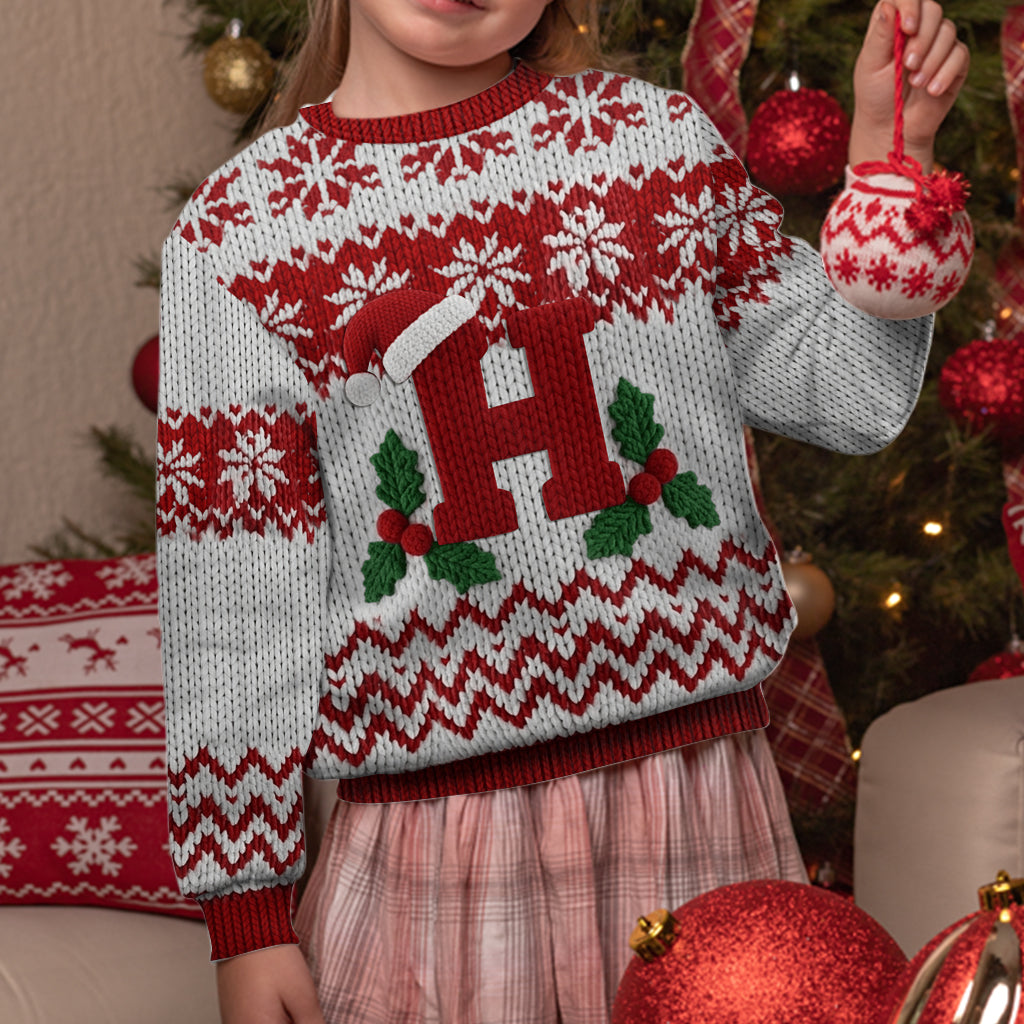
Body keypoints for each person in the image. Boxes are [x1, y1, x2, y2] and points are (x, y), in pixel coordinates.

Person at [155, 1, 969, 1022]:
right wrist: (247, 913)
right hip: (435, 847)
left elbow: (845, 392)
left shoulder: (654, 146)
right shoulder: (241, 233)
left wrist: (893, 168)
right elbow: (230, 595)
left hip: (697, 801)